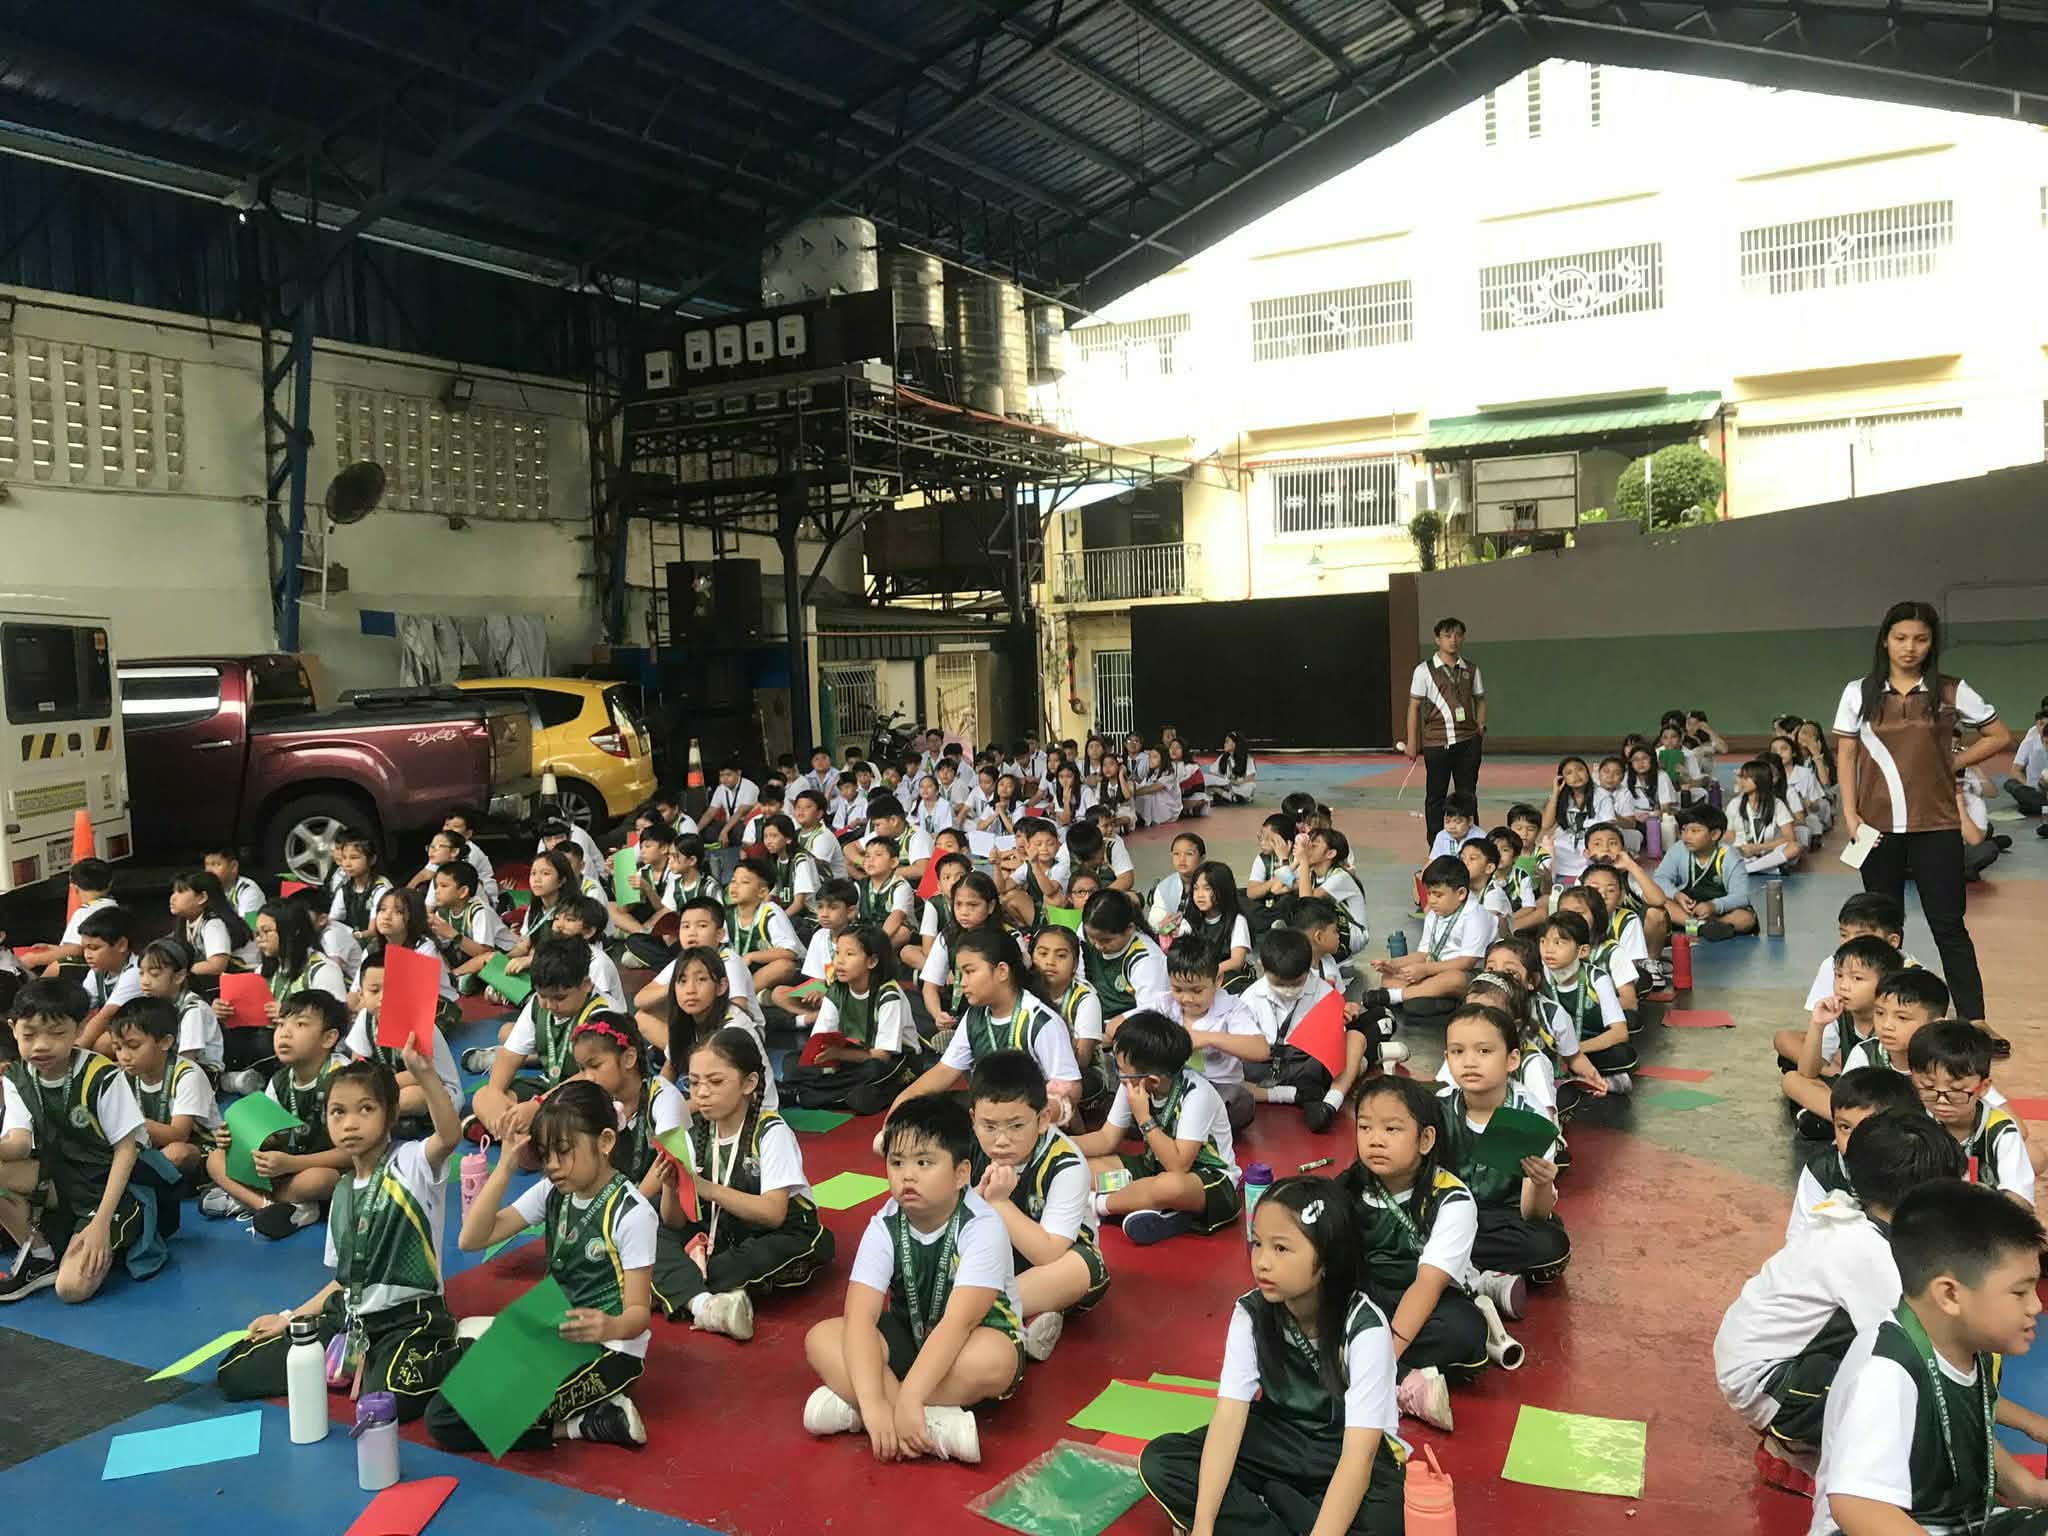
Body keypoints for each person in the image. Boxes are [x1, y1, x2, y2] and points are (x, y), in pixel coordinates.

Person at [1715, 1109, 1967, 1492]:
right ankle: (1803, 1448)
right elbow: (1921, 1352)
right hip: (1769, 1383)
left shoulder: (1856, 1214)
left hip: (1761, 1364)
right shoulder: (1868, 1252)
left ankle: (1801, 1443)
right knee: (1906, 1375)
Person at [1138, 1177, 1406, 1536]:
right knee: (1163, 1462)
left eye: (1281, 1248)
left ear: (1326, 1259)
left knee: (1383, 1523)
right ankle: (1282, 1506)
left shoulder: (1365, 1327)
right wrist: (1203, 1525)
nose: (1262, 1262)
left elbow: (1360, 1456)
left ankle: (1275, 1503)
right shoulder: (1251, 1312)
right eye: (1257, 1243)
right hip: (1278, 1439)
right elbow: (1228, 1419)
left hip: (1343, 1447)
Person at [216, 1052, 461, 1418]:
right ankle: (361, 1360)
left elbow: (449, 1136)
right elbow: (343, 1281)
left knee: (386, 1400)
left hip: (409, 1321)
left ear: (392, 1114)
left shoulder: (411, 1163)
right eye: (337, 1112)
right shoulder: (343, 1192)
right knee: (235, 1372)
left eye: (366, 1109)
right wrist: (289, 1317)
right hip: (349, 1319)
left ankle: (462, 1348)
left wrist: (425, 1076)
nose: (350, 1123)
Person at [1809, 1181, 2048, 1534]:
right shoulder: (1886, 1372)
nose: (2036, 1305)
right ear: (1949, 1295)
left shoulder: (1965, 1346)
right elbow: (1857, 1506)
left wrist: (2031, 1491)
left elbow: (1972, 1435)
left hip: (1958, 1521)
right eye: (2020, 1292)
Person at [431, 1080, 655, 1451]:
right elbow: (471, 1239)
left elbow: (638, 1314)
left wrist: (609, 1325)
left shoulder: (632, 1214)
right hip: (549, 1330)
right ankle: (581, 1422)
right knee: (441, 1413)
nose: (552, 1165)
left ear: (605, 1142)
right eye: (545, 1153)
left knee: (458, 1420)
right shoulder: (553, 1191)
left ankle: (579, 1425)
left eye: (563, 1151)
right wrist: (505, 1166)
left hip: (608, 1351)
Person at [802, 1095, 1023, 1464]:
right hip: (910, 1338)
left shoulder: (982, 1225)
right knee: (822, 1337)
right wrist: (875, 1405)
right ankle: (930, 1424)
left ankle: (863, 1407)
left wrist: (908, 1398)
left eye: (924, 1163)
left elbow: (959, 1322)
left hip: (969, 1343)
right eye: (897, 1162)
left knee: (996, 1359)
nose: (907, 1175)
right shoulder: (884, 1224)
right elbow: (860, 1317)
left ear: (961, 1173)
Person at [1834, 600, 2009, 1038]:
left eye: (1920, 639)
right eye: (1900, 638)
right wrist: (1850, 815)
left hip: (1937, 826)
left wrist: (1953, 763)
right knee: (1881, 930)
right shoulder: (1859, 692)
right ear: (1885, 640)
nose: (1910, 647)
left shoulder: (1950, 691)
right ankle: (1883, 1020)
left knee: (1948, 924)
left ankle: (1974, 1020)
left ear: (1932, 644)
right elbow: (1847, 755)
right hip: (1877, 829)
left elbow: (1998, 735)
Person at [651, 1027, 833, 1336]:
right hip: (722, 1230)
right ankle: (705, 1304)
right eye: (693, 1083)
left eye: (715, 1082)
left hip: (777, 1232)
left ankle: (678, 1286)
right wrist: (671, 1185)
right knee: (645, 1228)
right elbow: (675, 1221)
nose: (701, 1093)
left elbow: (773, 1213)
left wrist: (707, 1189)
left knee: (731, 1263)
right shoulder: (695, 1132)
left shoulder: (771, 1131)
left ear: (749, 1083)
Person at [0, 978, 172, 1302]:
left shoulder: (101, 1075)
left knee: (71, 1289)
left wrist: (100, 1225)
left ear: (79, 1029)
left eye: (56, 1033)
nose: (40, 1045)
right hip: (61, 1181)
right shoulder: (17, 1077)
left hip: (113, 1188)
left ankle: (118, 1228)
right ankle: (40, 1257)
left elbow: (126, 1151)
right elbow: (19, 1144)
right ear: (13, 1029)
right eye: (29, 1034)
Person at [1340, 1074, 1489, 1434]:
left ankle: (1356, 1367)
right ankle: (1404, 1383)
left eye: (1391, 1129)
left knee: (1465, 1332)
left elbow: (1426, 1286)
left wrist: (1383, 1360)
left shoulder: (1451, 1199)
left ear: (1425, 1139)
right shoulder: (1346, 1188)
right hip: (1365, 1300)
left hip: (1423, 1301)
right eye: (1365, 1127)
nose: (1375, 1139)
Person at [967, 1051, 1110, 1364]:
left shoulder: (1066, 1163)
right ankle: (1016, 1317)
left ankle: (974, 1314)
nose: (1001, 1140)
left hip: (1047, 1262)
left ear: (1043, 1119)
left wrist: (999, 1202)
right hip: (990, 1260)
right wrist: (974, 1200)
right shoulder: (966, 1148)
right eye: (989, 1126)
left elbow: (1048, 1253)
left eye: (1016, 1126)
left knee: (1084, 1268)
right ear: (973, 1118)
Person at [1434, 1004, 1569, 1305]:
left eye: (1484, 1051)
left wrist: (1542, 1182)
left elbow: (1533, 1214)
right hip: (1446, 1213)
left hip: (1499, 1221)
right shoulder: (1436, 1108)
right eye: (1457, 1052)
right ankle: (1481, 1281)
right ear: (1446, 1058)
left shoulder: (1529, 1118)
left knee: (1551, 1246)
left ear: (1512, 1059)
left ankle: (1453, 1272)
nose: (1469, 1061)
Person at [1074, 1010, 1242, 1247]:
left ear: (1152, 1080)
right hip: (1154, 1166)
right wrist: (1058, 1143)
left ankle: (1096, 1205)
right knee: (1080, 1168)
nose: (1118, 1075)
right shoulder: (1132, 1081)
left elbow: (1178, 1166)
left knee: (1169, 1186)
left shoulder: (1196, 1094)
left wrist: (1144, 1117)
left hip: (1208, 1182)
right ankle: (1163, 1211)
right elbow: (1106, 1138)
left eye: (1121, 1069)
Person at [202, 990, 352, 1238]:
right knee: (215, 1158)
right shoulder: (280, 1080)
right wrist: (236, 1139)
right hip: (287, 1167)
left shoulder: (345, 1078)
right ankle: (267, 1206)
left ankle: (250, 1199)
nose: (284, 1033)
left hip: (331, 1168)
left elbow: (351, 1153)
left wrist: (291, 1164)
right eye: (280, 1024)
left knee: (321, 1179)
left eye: (300, 1024)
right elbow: (274, 1136)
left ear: (329, 1038)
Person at [781, 925, 916, 1115]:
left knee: (873, 1071)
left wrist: (839, 1055)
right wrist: (822, 1056)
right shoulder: (837, 989)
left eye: (849, 954)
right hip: (851, 1055)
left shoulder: (888, 995)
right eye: (837, 953)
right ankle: (843, 1094)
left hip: (895, 1061)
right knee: (791, 1061)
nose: (839, 961)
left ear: (872, 961)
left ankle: (802, 1095)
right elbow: (820, 1037)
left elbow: (882, 1056)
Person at [1785, 1068, 1922, 1242]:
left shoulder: (1921, 1168)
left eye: (1868, 1129)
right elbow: (1799, 1240)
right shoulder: (1823, 1170)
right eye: (1845, 1127)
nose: (1854, 1140)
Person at [1909, 1020, 2035, 1208]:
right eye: (1928, 1087)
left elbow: (2021, 1199)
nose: (1942, 1100)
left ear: (1984, 1087)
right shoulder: (1914, 1120)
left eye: (1956, 1090)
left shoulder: (2000, 1131)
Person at [1783, 935, 1904, 1124]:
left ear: (1885, 983)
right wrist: (1817, 1025)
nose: (1843, 986)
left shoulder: (1892, 1021)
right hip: (1854, 1094)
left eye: (1857, 978)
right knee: (1792, 1080)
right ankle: (1847, 1122)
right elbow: (1807, 1071)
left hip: (1888, 1100)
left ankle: (1839, 1121)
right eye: (1839, 975)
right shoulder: (1839, 1013)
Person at [1366, 854, 1493, 1018]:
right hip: (1435, 971)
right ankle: (1427, 997)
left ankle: (1398, 996)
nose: (1432, 901)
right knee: (1388, 978)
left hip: (1469, 974)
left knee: (1453, 979)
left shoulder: (1475, 915)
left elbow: (1466, 962)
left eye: (1438, 895)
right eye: (1429, 893)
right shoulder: (1434, 914)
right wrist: (1393, 964)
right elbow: (1423, 954)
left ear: (1461, 893)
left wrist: (1425, 970)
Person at [109, 996, 219, 1179]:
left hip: (200, 1148)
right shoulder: (124, 1075)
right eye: (118, 1048)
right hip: (152, 1148)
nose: (124, 1057)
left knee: (177, 1153)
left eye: (133, 1046)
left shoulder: (187, 1074)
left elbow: (179, 1135)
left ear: (165, 1042)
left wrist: (130, 1122)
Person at [344, 950, 464, 1116]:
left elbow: (418, 1074)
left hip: (438, 1089)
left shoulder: (417, 1022)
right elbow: (357, 1062)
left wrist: (374, 1087)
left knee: (409, 1098)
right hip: (385, 1088)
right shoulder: (365, 1018)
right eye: (374, 991)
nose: (383, 997)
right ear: (361, 995)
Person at [1406, 615, 1486, 852]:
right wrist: (1412, 742)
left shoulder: (1471, 669)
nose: (1453, 640)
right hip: (1436, 742)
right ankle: (1437, 846)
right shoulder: (1424, 670)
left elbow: (1481, 699)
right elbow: (1414, 707)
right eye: (1447, 635)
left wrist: (1480, 726)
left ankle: (1472, 845)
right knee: (1436, 796)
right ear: (1437, 639)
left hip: (1468, 741)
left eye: (1458, 635)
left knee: (1467, 794)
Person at [1652, 804, 1756, 941]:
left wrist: (1714, 906)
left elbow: (1741, 896)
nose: (1687, 836)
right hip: (1687, 910)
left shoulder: (1729, 856)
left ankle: (1697, 926)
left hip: (1717, 913)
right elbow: (1659, 879)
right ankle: (1702, 927)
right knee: (1660, 904)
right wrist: (1675, 894)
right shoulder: (1678, 849)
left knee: (1746, 919)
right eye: (1684, 830)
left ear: (1715, 834)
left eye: (1695, 831)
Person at [1080, 889, 1169, 1042]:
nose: (1098, 945)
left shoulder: (1146, 960)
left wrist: (1111, 1032)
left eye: (1106, 940)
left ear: (1129, 929)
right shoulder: (1089, 932)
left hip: (1127, 1031)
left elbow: (1152, 1012)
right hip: (1092, 1019)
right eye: (1092, 938)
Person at [169, 870, 259, 977]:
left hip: (247, 975)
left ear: (202, 897)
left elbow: (216, 966)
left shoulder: (213, 924)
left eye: (180, 892)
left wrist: (177, 971)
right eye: (173, 892)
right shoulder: (187, 921)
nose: (173, 898)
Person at [1211, 730, 1258, 806]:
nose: (1224, 744)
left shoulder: (1247, 758)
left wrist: (1237, 782)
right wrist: (1222, 781)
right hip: (1226, 786)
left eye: (1227, 742)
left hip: (1239, 786)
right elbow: (1212, 773)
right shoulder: (1222, 758)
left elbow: (1251, 777)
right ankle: (1231, 797)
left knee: (1250, 785)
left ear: (1235, 744)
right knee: (1208, 782)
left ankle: (1229, 796)